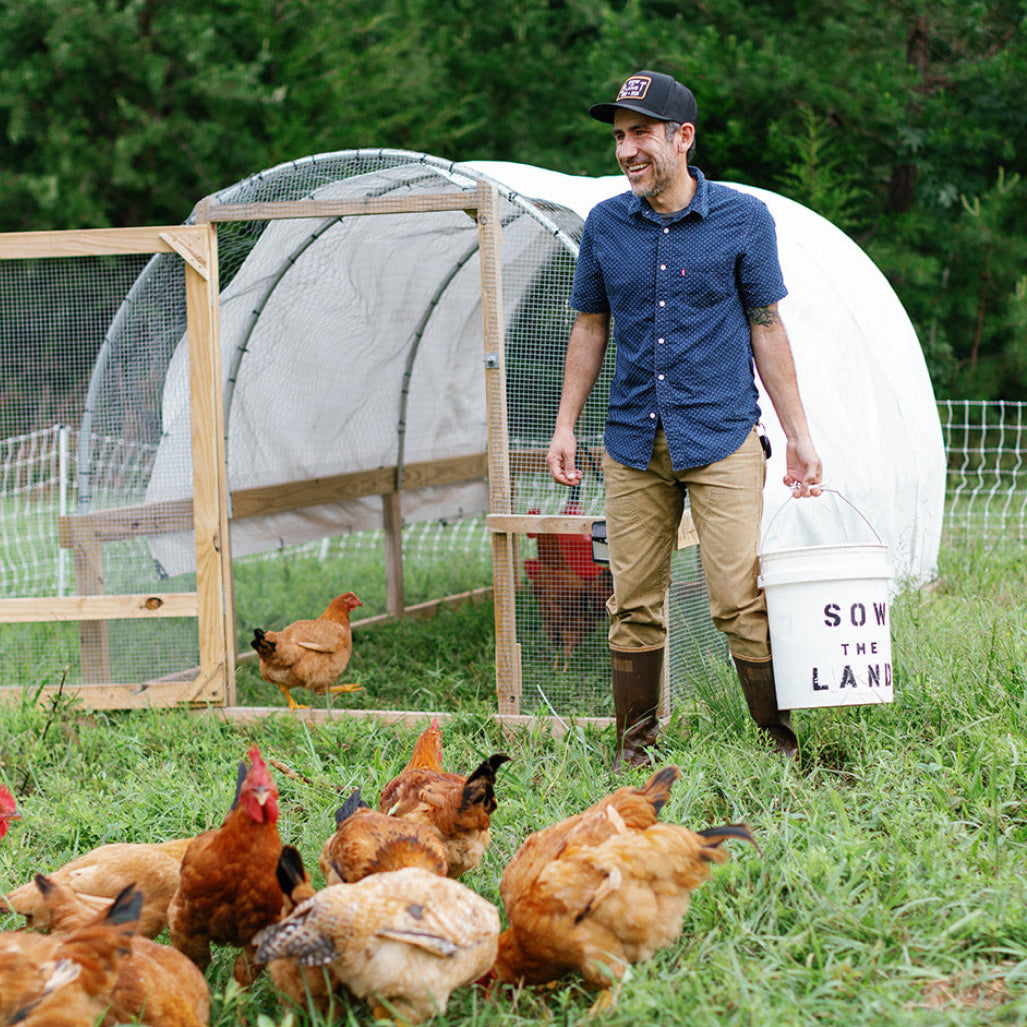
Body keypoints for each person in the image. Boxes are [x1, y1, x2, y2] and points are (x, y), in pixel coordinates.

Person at [546, 70, 823, 770]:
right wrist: (562, 425)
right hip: (633, 441)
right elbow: (589, 326)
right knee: (632, 601)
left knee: (735, 598)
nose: (626, 149)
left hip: (722, 436)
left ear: (682, 137)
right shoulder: (606, 224)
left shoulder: (741, 219)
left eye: (640, 133)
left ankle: (778, 741)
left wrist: (798, 436)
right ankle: (632, 750)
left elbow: (767, 327)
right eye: (618, 136)